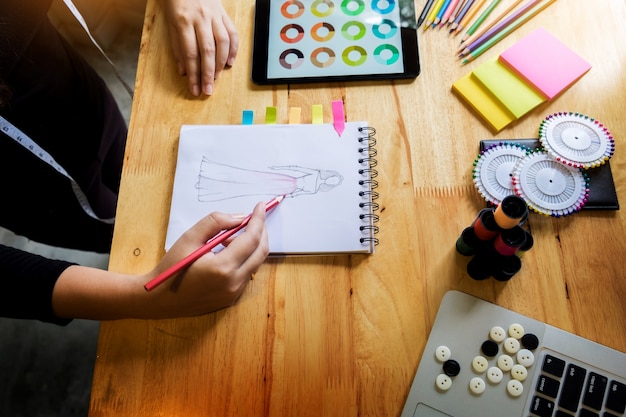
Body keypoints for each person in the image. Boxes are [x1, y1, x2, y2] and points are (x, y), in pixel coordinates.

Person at [0, 0, 265, 325]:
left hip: (83, 100)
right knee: (127, 241)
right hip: (32, 196)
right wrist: (141, 295)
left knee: (140, 191)